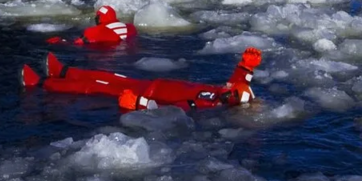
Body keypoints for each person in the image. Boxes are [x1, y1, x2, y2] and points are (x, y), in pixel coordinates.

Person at [22, 48, 261, 110]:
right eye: (232, 88)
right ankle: (62, 71)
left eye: (232, 93)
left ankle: (41, 83)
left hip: (144, 94)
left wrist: (141, 105)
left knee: (94, 88)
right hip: (147, 85)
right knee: (107, 76)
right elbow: (238, 82)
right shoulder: (223, 91)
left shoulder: (208, 103)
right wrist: (244, 67)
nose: (229, 89)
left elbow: (176, 110)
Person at [48, 5, 137, 46]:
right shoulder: (130, 27)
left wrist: (59, 41)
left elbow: (76, 43)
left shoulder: (92, 32)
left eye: (97, 16)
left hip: (111, 55)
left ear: (100, 18)